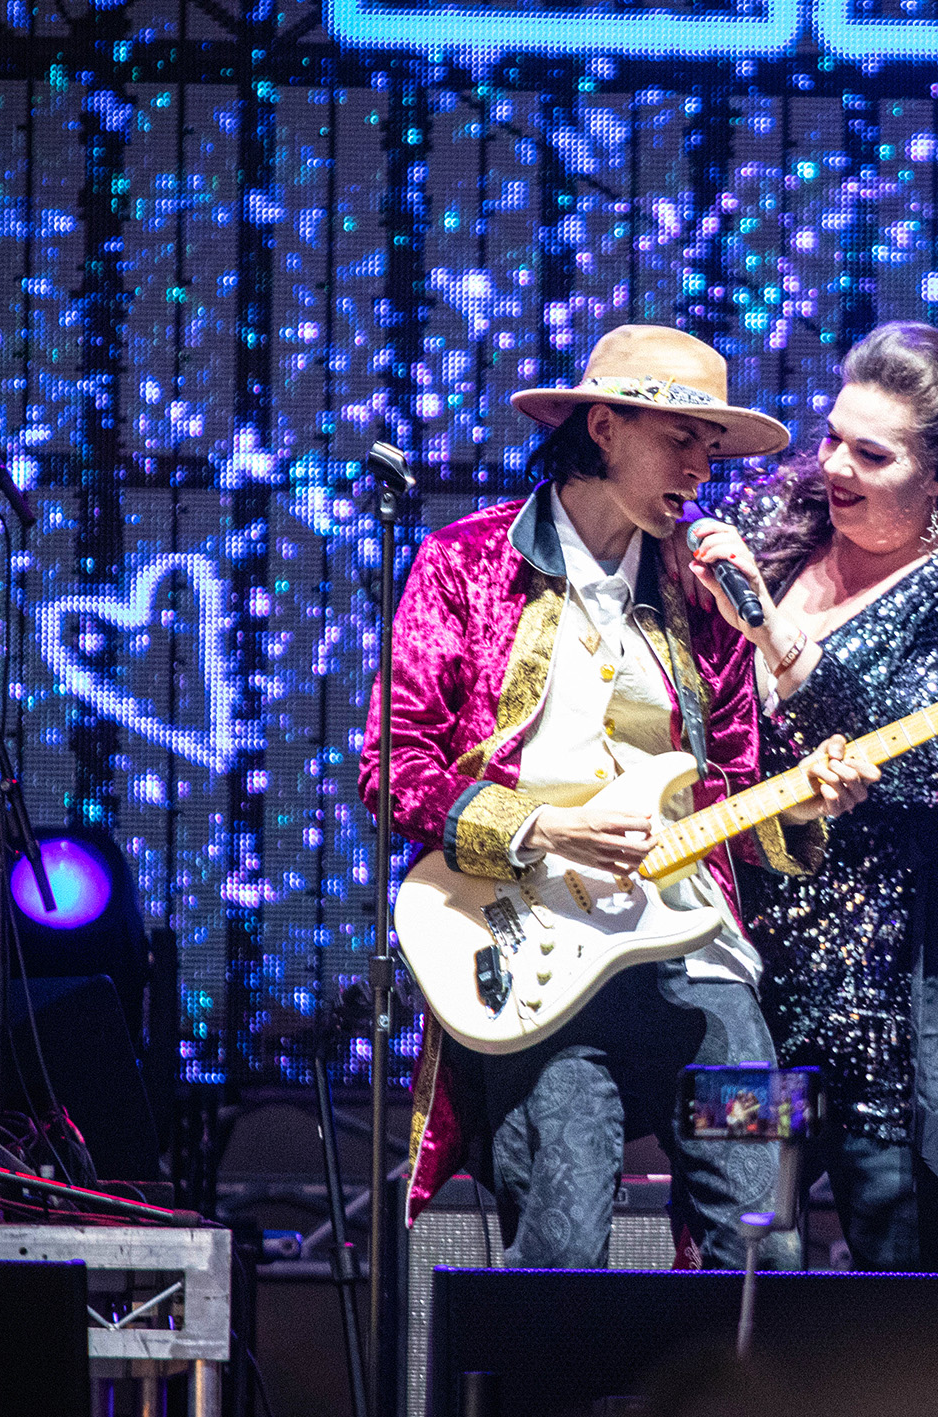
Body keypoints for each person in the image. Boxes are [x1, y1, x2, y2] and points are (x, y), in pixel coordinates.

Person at [359, 324, 875, 1269]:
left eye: (711, 447)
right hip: (542, 960)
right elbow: (394, 765)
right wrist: (546, 825)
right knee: (562, 1239)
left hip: (701, 957)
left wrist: (797, 808)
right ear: (603, 426)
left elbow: (731, 783)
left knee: (768, 1237)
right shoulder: (465, 562)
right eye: (680, 439)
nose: (701, 469)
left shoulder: (705, 593)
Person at [679, 322, 938, 1353]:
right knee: (741, 1250)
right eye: (830, 439)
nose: (835, 467)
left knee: (912, 1266)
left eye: (872, 453)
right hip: (745, 979)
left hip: (901, 992)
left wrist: (775, 633)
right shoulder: (777, 531)